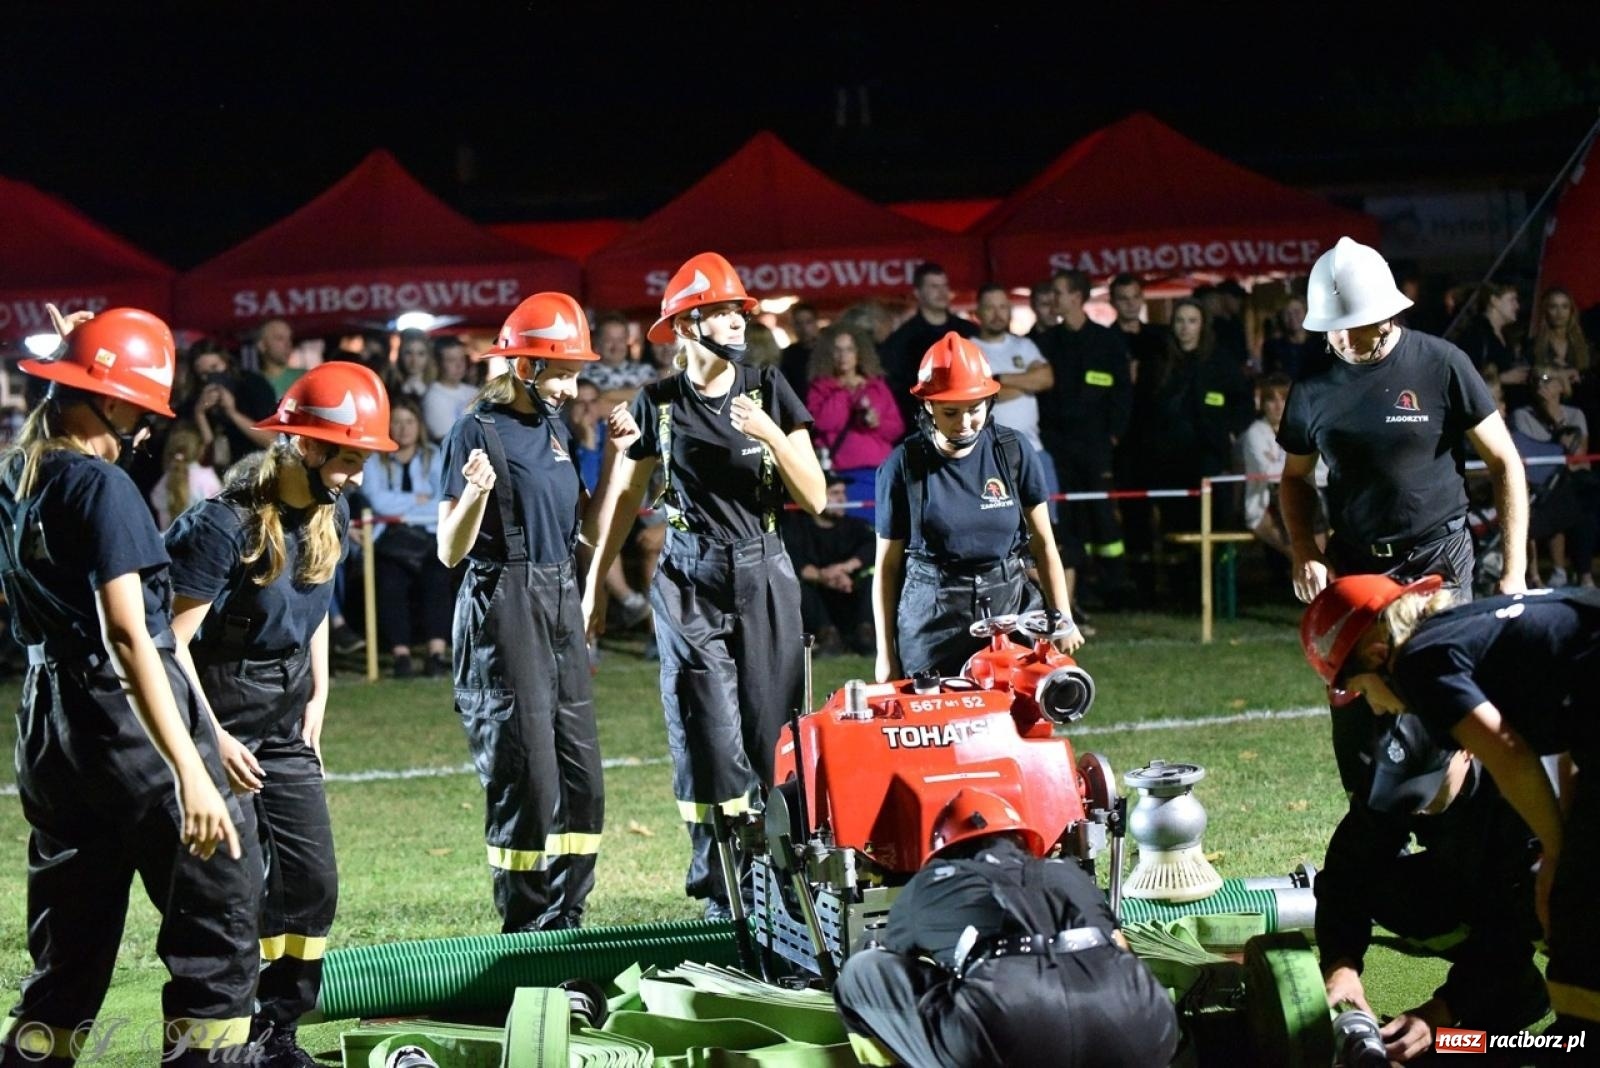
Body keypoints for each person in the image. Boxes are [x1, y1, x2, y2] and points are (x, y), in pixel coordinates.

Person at [0, 308, 257, 1067]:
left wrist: (75, 358)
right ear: (110, 401)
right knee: (217, 921)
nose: (146, 427)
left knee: (69, 946)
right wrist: (190, 771)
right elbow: (128, 636)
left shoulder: (19, 474)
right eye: (142, 407)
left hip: (50, 726)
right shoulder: (100, 487)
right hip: (127, 725)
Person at [165, 361, 394, 1066]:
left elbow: (316, 603)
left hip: (288, 718)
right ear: (305, 445)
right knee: (232, 899)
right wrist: (213, 736)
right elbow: (167, 646)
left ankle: (277, 1032)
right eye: (351, 458)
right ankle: (214, 1046)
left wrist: (320, 694)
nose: (358, 474)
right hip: (219, 711)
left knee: (312, 880)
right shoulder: (221, 524)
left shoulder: (329, 515)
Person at [584, 252, 825, 919]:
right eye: (721, 311)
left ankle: (786, 881)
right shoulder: (655, 404)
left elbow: (818, 497)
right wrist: (593, 587)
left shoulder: (769, 388)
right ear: (687, 326)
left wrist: (773, 434)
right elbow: (625, 500)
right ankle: (720, 888)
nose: (737, 321)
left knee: (772, 736)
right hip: (689, 578)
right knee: (705, 733)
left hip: (765, 567)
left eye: (739, 310)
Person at [1301, 574, 1600, 1045]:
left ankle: (1580, 1036)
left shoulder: (1422, 666)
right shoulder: (1463, 646)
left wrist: (1556, 859)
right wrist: (1341, 961)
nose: (1375, 710)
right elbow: (1571, 736)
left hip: (1523, 835)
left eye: (1361, 689)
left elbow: (1508, 754)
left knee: (1573, 906)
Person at [1280, 236, 1528, 795]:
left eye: (1354, 324)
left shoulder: (1442, 364)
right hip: (1358, 568)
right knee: (1356, 709)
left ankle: (1462, 833)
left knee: (1446, 707)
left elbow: (1505, 462)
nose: (1341, 338)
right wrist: (1305, 549)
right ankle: (1373, 834)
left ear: (1389, 313)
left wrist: (1513, 572)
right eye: (1331, 327)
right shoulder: (1313, 387)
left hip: (1438, 559)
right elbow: (1294, 478)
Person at [439, 292, 606, 933]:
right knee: (529, 778)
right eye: (560, 372)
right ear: (523, 367)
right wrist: (477, 493)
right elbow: (449, 551)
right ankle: (525, 928)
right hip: (503, 606)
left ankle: (567, 924)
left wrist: (619, 461)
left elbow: (576, 526)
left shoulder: (557, 429)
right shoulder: (473, 431)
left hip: (559, 599)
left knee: (581, 778)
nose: (570, 386)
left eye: (574, 372)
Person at [834, 789, 1179, 1068]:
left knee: (861, 970)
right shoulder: (1066, 873)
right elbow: (1120, 946)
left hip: (1011, 1027)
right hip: (1142, 1026)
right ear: (1022, 840)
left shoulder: (930, 883)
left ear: (945, 850)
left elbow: (896, 961)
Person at [1312, 708, 1546, 1063]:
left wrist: (1444, 1010)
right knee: (1387, 889)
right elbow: (1348, 870)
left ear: (1468, 749)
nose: (1416, 807)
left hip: (1558, 896)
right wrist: (1340, 961)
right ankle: (1516, 994)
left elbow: (1509, 926)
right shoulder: (1399, 774)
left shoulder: (1522, 795)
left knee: (1564, 1046)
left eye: (1428, 787)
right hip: (1492, 888)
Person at [872, 334, 1081, 683]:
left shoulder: (1014, 452)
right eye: (951, 412)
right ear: (928, 407)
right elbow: (887, 568)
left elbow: (1045, 544)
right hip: (932, 615)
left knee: (1019, 724)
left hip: (1009, 607)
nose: (965, 421)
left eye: (974, 409)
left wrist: (1062, 617)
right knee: (936, 729)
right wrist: (886, 654)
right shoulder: (902, 466)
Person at [1040, 269, 1136, 608]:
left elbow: (1123, 391)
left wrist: (1113, 434)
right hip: (1058, 446)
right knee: (1068, 517)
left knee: (1103, 515)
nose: (1053, 299)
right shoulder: (1046, 342)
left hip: (1096, 444)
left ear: (1078, 297)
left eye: (1059, 292)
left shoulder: (1106, 341)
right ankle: (1079, 588)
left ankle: (1115, 583)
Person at [364, 396, 453, 677]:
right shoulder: (374, 459)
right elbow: (377, 502)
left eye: (409, 422)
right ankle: (401, 655)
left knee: (438, 580)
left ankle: (435, 654)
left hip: (428, 537)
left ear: (419, 425)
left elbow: (441, 501)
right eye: (397, 422)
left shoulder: (434, 454)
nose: (403, 428)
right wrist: (417, 499)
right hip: (389, 541)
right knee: (390, 583)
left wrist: (401, 506)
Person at [805, 323, 903, 507]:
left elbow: (896, 428)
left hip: (878, 473)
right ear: (828, 354)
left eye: (849, 349)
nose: (843, 356)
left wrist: (876, 422)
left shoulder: (876, 386)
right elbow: (822, 422)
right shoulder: (820, 388)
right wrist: (844, 390)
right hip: (842, 476)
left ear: (859, 353)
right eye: (837, 350)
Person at [783, 474, 876, 656]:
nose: (842, 498)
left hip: (849, 592)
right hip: (818, 600)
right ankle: (827, 636)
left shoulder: (856, 526)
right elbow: (793, 559)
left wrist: (845, 568)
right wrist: (823, 577)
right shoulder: (797, 527)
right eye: (834, 493)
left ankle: (866, 635)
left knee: (873, 579)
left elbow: (872, 548)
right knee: (796, 585)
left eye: (843, 493)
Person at [879, 262, 979, 431]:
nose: (942, 292)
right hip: (922, 427)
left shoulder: (969, 332)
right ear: (918, 293)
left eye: (944, 286)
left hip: (969, 422)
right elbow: (894, 388)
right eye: (934, 286)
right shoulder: (901, 340)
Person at [421, 336, 478, 442]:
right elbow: (448, 440)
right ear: (438, 363)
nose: (459, 365)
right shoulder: (433, 398)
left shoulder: (474, 392)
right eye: (451, 360)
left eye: (462, 359)